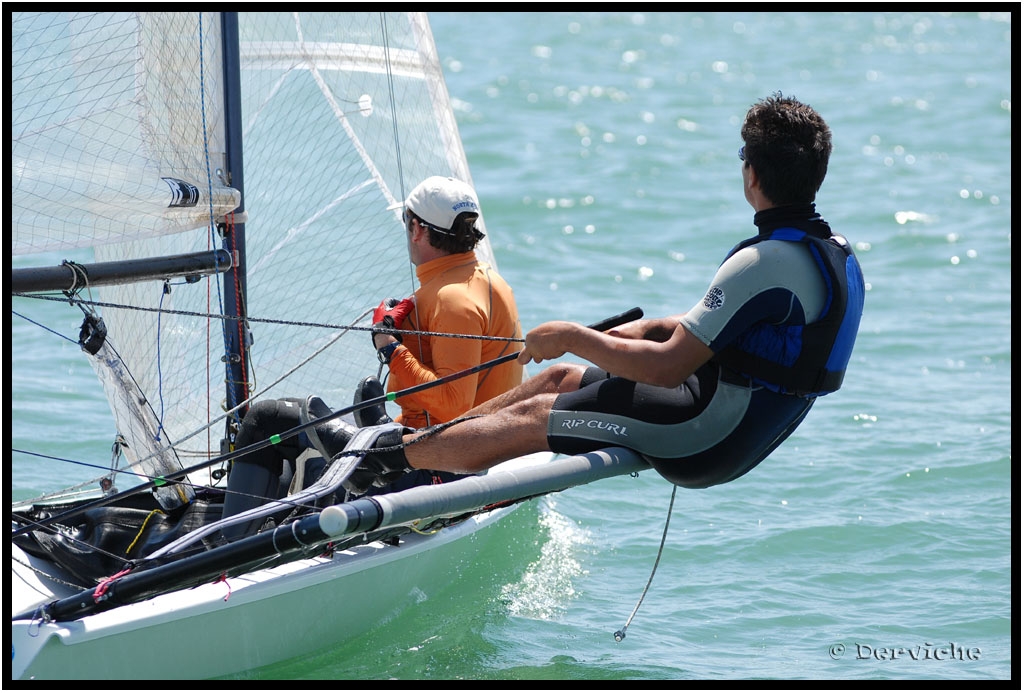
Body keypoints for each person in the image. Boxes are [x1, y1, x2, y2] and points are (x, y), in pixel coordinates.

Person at [338, 92, 865, 496]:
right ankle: (426, 447)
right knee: (557, 378)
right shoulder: (829, 253)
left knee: (535, 415)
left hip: (710, 433)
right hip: (739, 421)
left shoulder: (761, 262)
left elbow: (666, 368)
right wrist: (617, 335)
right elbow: (705, 330)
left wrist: (572, 335)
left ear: (751, 172)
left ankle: (386, 464)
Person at [219, 176, 523, 539]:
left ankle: (227, 548)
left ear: (416, 229)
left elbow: (452, 405)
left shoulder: (452, 300)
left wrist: (389, 347)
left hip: (435, 470)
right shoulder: (484, 281)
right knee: (301, 454)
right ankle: (372, 437)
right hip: (455, 457)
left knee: (267, 419)